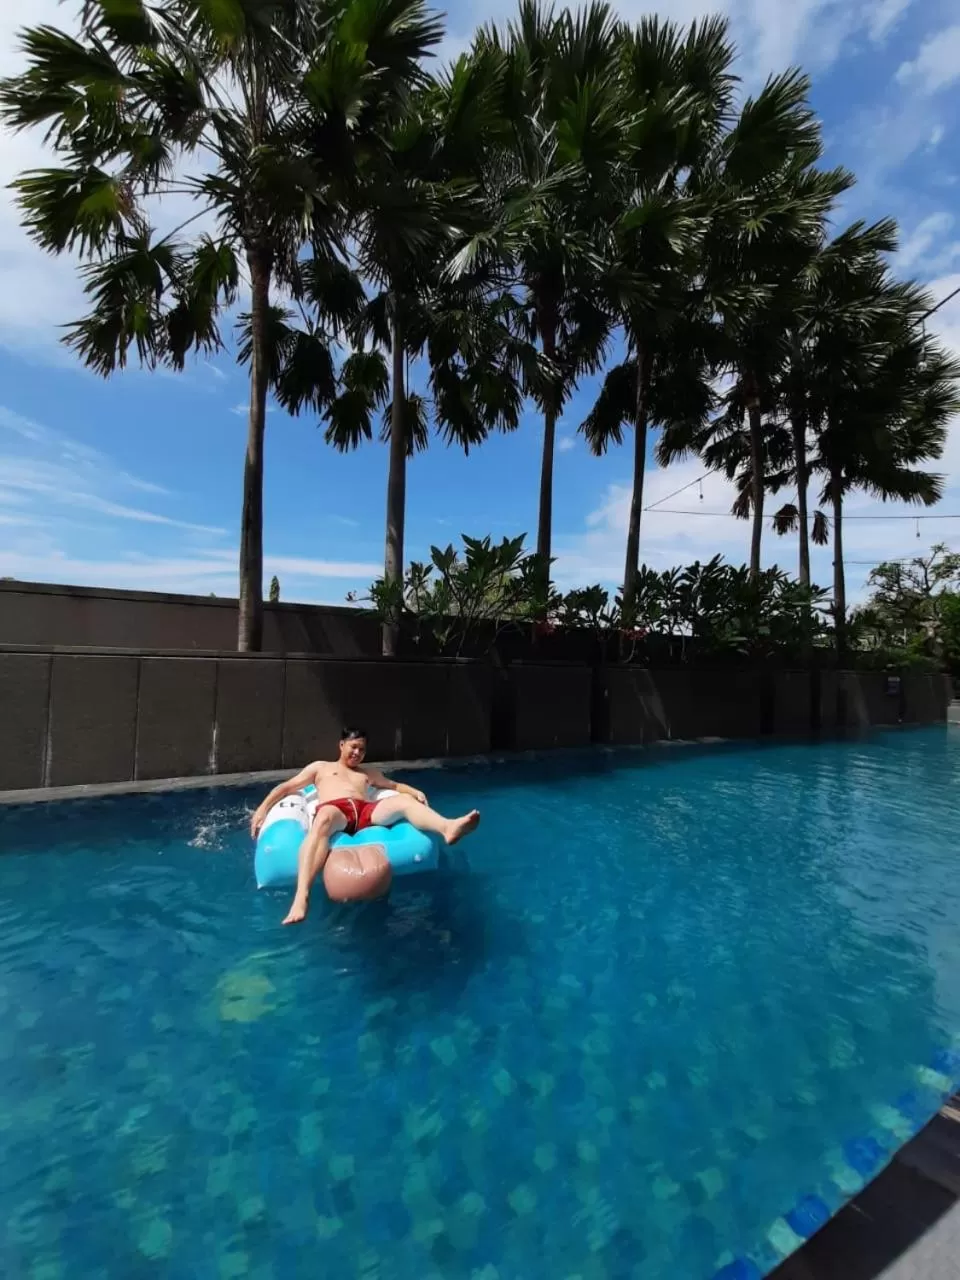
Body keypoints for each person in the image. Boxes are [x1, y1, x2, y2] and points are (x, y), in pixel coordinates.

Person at [250, 726, 480, 925]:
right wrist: (262, 809)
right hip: (337, 809)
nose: (357, 753)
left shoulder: (367, 772)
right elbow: (286, 788)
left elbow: (394, 785)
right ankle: (302, 897)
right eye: (353, 747)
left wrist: (413, 791)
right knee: (323, 819)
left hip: (366, 811)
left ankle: (448, 827)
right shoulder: (321, 767)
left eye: (362, 749)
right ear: (341, 745)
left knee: (402, 802)